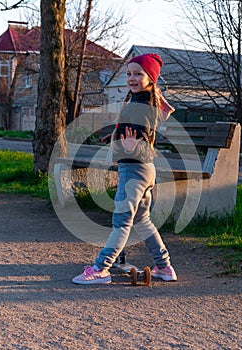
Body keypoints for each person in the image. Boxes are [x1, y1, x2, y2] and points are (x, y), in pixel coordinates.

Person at [72, 53, 177, 285]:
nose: (132, 78)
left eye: (138, 74)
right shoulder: (142, 98)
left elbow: (144, 135)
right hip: (144, 169)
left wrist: (132, 147)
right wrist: (117, 136)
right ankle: (164, 267)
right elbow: (137, 131)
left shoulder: (142, 104)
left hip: (133, 170)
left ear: (150, 77)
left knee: (121, 222)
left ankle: (101, 268)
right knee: (142, 221)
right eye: (129, 73)